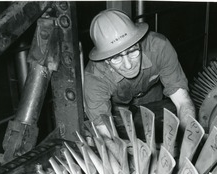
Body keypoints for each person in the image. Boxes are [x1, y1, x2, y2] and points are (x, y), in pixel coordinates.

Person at [84, 9, 196, 137]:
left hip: (150, 93)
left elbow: (182, 102)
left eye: (132, 52)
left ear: (139, 43)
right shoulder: (95, 77)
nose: (128, 65)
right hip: (117, 104)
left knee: (154, 133)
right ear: (106, 60)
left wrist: (190, 139)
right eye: (116, 58)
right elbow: (104, 130)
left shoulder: (159, 48)